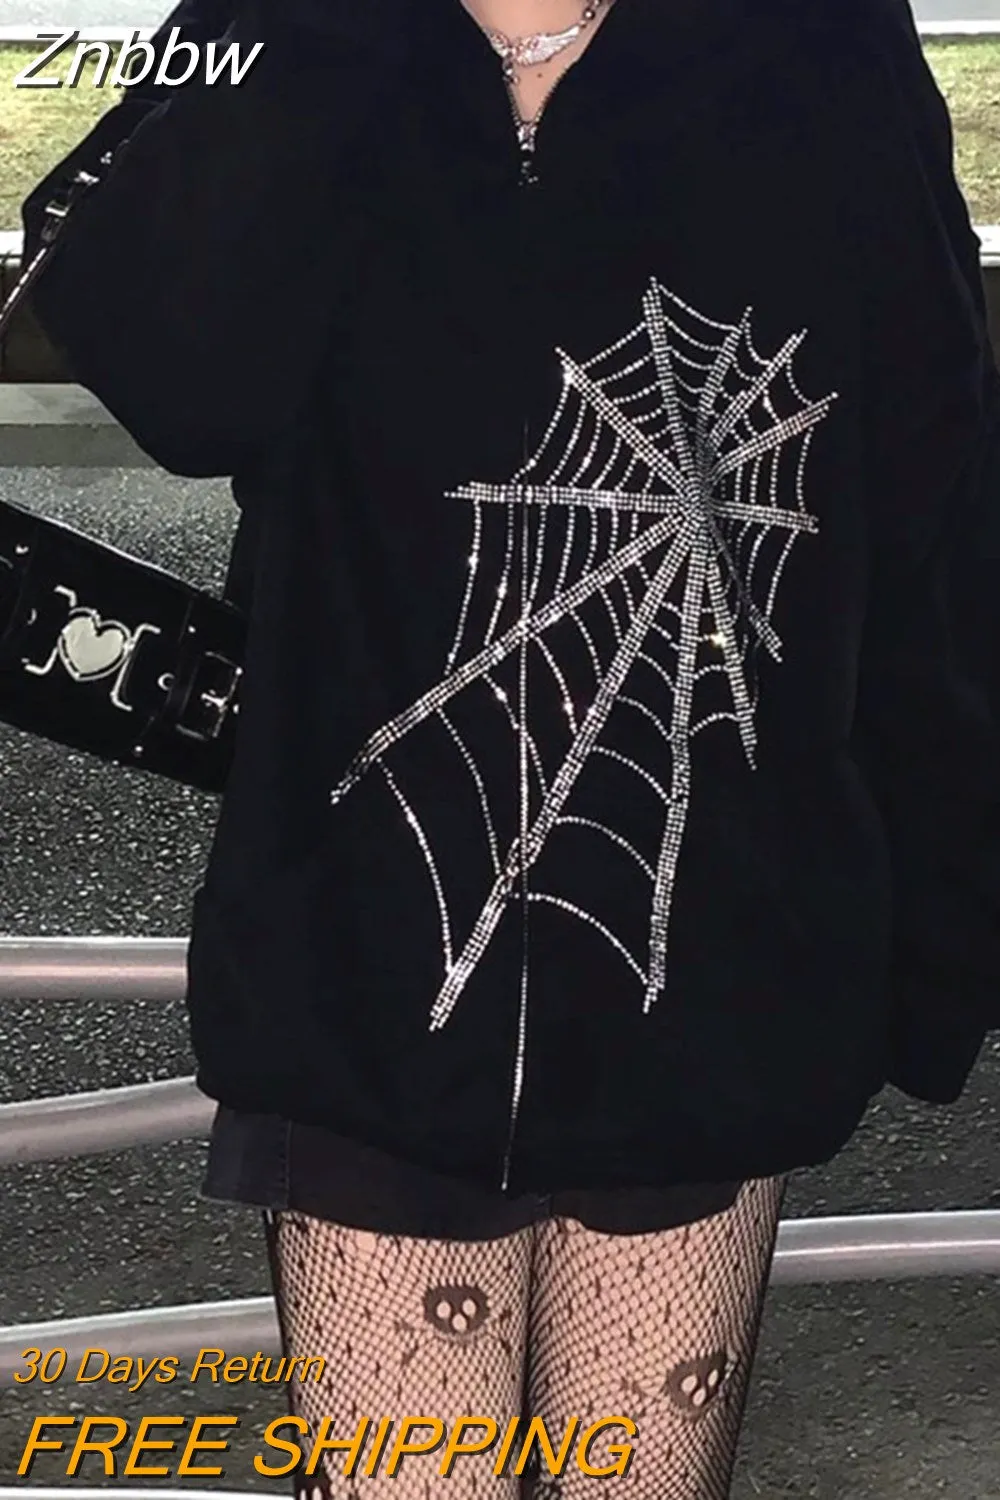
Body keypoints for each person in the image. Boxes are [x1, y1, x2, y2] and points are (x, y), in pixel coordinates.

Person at [21, 0, 1000, 1494]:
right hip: (361, 964)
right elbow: (177, 371)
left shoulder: (814, 37)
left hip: (720, 963)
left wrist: (939, 938)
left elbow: (935, 507)